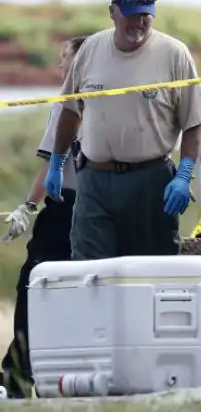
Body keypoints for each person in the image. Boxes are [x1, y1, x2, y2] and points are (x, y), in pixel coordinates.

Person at [44, 0, 201, 260]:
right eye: (131, 15)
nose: (139, 23)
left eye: (145, 15)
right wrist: (56, 161)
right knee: (89, 269)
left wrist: (185, 175)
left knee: (152, 268)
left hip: (149, 180)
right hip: (94, 180)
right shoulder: (91, 49)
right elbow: (70, 111)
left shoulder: (174, 53)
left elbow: (195, 120)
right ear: (113, 13)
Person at [0, 36, 86, 399]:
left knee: (34, 283)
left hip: (66, 206)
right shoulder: (116, 97)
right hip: (104, 207)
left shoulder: (67, 101)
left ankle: (15, 379)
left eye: (64, 60)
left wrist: (27, 207)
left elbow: (52, 162)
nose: (60, 67)